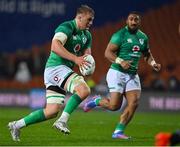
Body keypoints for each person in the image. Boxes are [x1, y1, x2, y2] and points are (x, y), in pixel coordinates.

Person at [8, 5, 95, 141]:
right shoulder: (66, 27)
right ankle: (63, 121)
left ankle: (17, 125)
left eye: (92, 20)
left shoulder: (87, 35)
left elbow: (87, 57)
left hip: (61, 71)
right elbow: (55, 46)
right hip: (56, 68)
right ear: (79, 17)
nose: (91, 23)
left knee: (51, 111)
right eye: (88, 20)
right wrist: (75, 59)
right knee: (84, 90)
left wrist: (87, 65)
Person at [83, 12, 161, 139]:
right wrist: (121, 61)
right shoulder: (120, 35)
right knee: (114, 106)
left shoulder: (143, 37)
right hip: (117, 73)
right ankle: (96, 101)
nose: (133, 22)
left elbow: (146, 53)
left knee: (134, 102)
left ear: (139, 22)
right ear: (127, 21)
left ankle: (118, 132)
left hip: (132, 75)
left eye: (136, 19)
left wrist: (153, 63)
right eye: (131, 19)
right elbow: (107, 53)